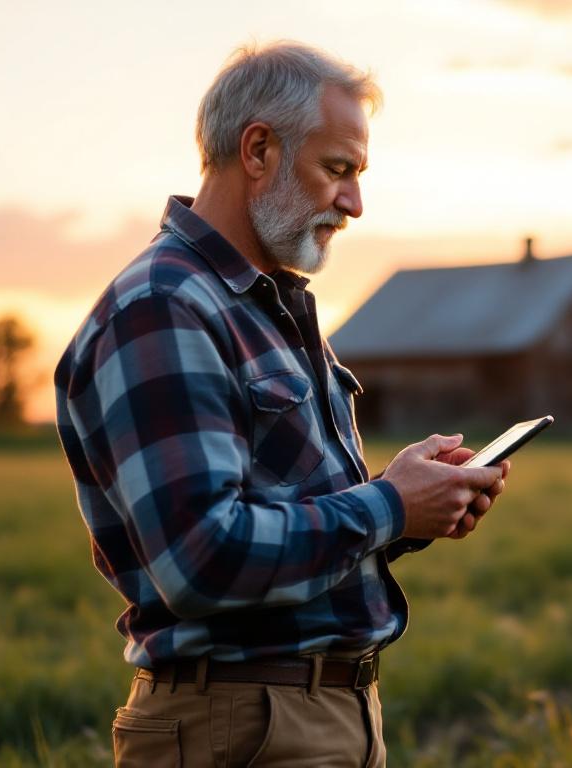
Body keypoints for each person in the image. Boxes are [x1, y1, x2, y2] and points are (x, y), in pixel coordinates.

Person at [54, 41, 509, 767]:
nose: (355, 204)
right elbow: (202, 559)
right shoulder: (163, 309)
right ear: (259, 149)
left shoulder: (266, 308)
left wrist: (417, 504)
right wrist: (388, 505)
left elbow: (284, 523)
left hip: (326, 717)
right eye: (339, 170)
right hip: (240, 727)